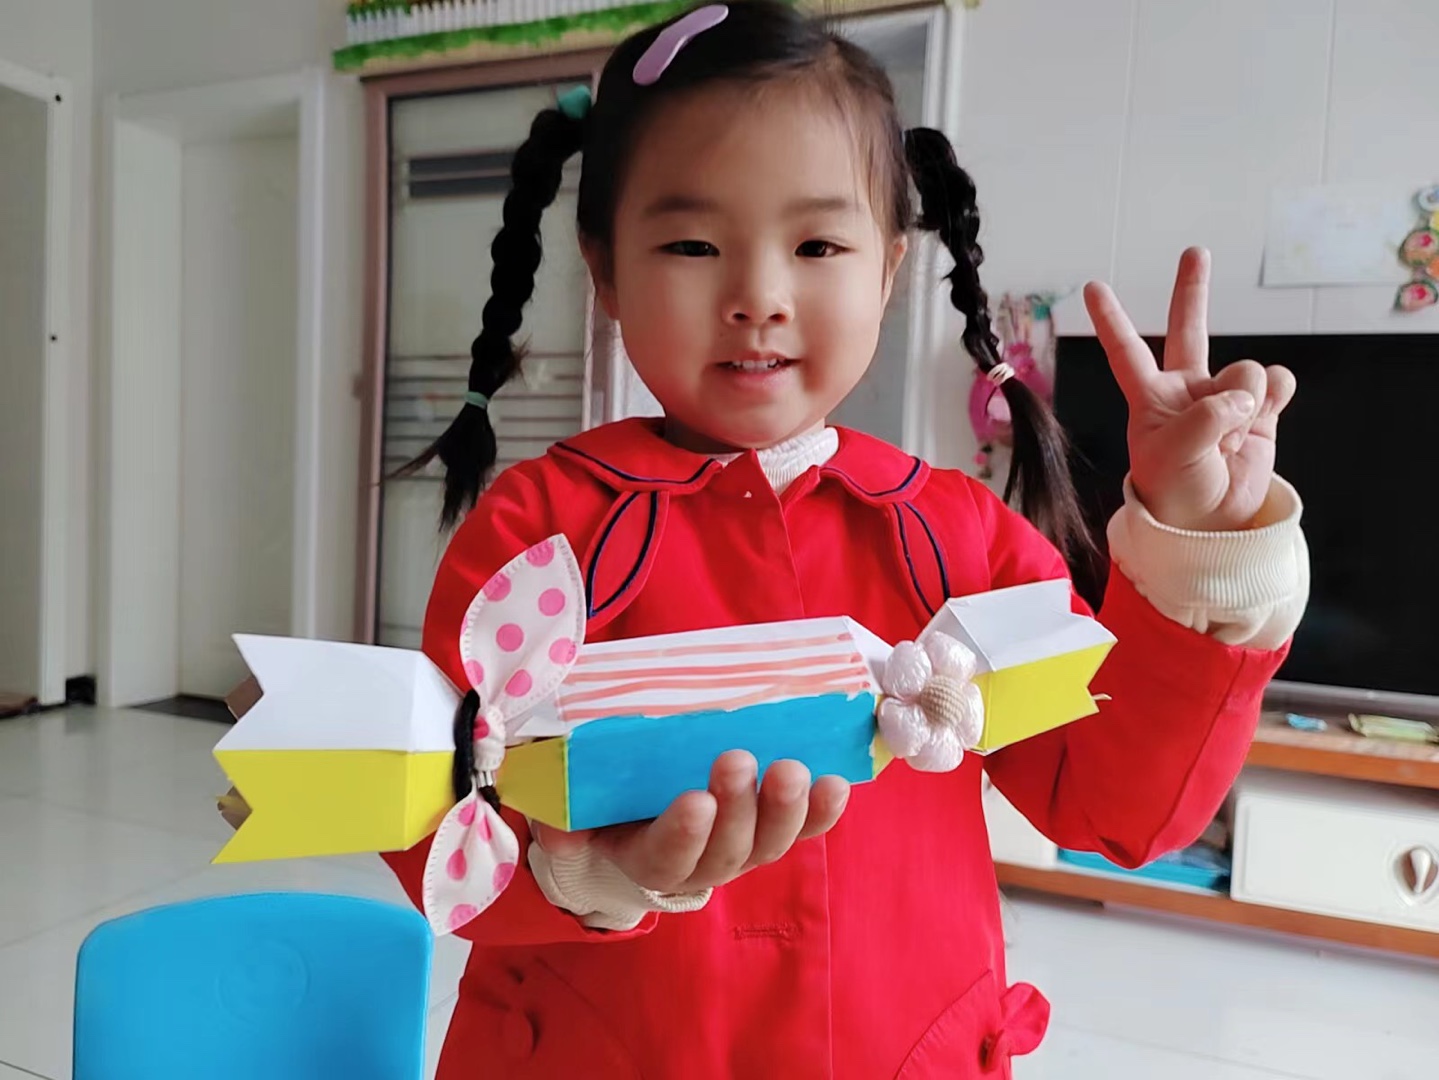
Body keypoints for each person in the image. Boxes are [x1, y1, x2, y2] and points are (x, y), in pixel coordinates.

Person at [381, 3, 1309, 1075]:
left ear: (889, 268)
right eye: (691, 245)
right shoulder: (538, 535)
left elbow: (1118, 805)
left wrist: (1200, 546)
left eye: (817, 244)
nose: (758, 298)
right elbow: (434, 825)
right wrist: (591, 873)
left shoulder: (962, 537)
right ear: (606, 270)